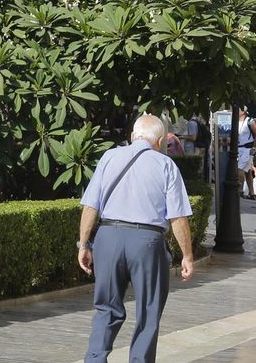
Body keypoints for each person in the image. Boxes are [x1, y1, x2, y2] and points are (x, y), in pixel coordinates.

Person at [78, 114, 195, 363]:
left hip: (108, 237)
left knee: (105, 308)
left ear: (132, 136)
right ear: (160, 140)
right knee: (148, 311)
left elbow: (90, 207)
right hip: (147, 242)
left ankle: (95, 359)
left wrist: (84, 245)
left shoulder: (109, 157)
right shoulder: (166, 165)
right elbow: (178, 218)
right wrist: (187, 255)